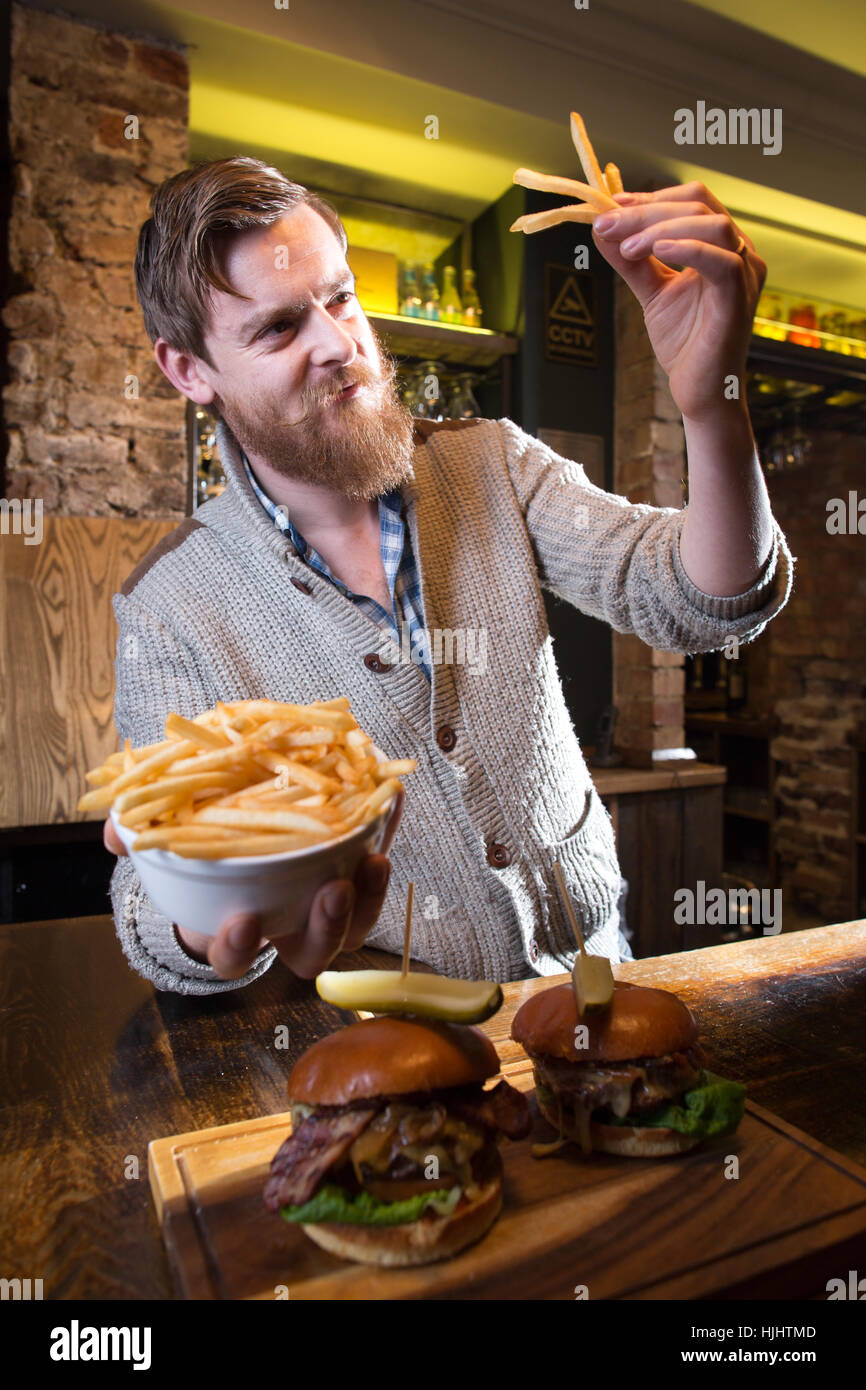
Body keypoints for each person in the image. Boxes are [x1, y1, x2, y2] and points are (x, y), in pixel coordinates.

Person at [106, 157, 792, 994]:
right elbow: (146, 898)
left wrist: (713, 405)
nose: (338, 343)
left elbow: (705, 604)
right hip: (393, 1033)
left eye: (341, 296)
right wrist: (206, 906)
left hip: (596, 980)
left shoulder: (490, 462)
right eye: (280, 328)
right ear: (188, 370)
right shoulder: (168, 604)